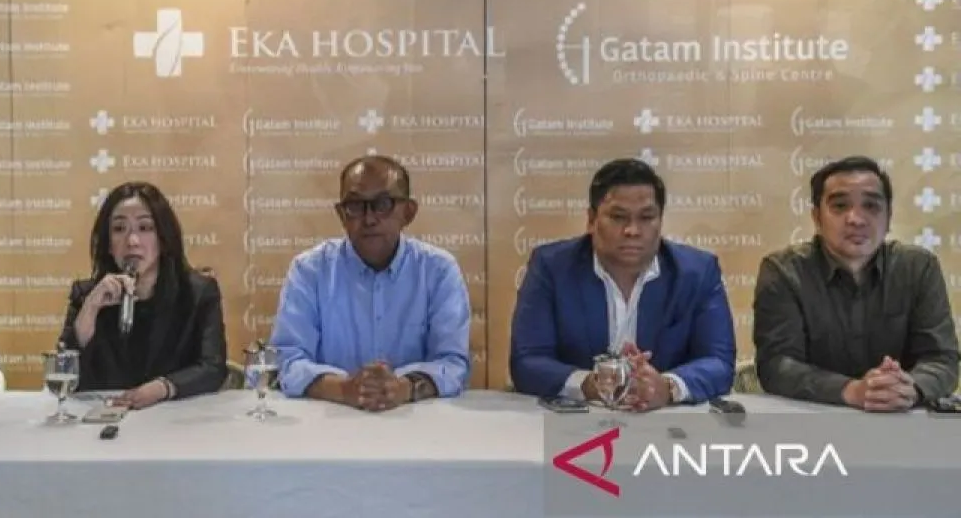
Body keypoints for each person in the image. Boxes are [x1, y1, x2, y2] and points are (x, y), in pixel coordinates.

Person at [510, 158, 736, 408]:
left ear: (661, 220)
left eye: (646, 217)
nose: (632, 230)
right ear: (591, 220)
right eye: (618, 217)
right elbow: (527, 361)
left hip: (663, 421)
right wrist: (589, 384)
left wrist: (666, 387)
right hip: (577, 419)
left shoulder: (697, 272)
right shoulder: (552, 267)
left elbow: (719, 362)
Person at [753, 156, 958, 410]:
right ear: (817, 217)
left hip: (903, 420)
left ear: (889, 217)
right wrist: (851, 390)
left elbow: (942, 359)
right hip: (815, 421)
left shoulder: (918, 268)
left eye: (871, 206)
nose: (856, 219)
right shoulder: (784, 272)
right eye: (840, 206)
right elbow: (776, 366)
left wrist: (910, 388)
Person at [270, 155, 471, 411]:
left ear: (408, 212)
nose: (369, 219)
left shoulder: (438, 270)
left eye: (383, 204)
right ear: (341, 215)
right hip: (329, 421)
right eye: (355, 206)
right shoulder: (309, 271)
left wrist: (404, 388)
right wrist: (344, 389)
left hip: (417, 422)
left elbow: (453, 364)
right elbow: (286, 361)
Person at [58, 181, 227, 407]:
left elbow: (213, 368)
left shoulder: (197, 293)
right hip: (105, 416)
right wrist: (89, 310)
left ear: (163, 239)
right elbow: (63, 375)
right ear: (108, 244)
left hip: (172, 417)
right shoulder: (87, 296)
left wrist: (163, 388)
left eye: (145, 228)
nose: (132, 241)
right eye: (119, 229)